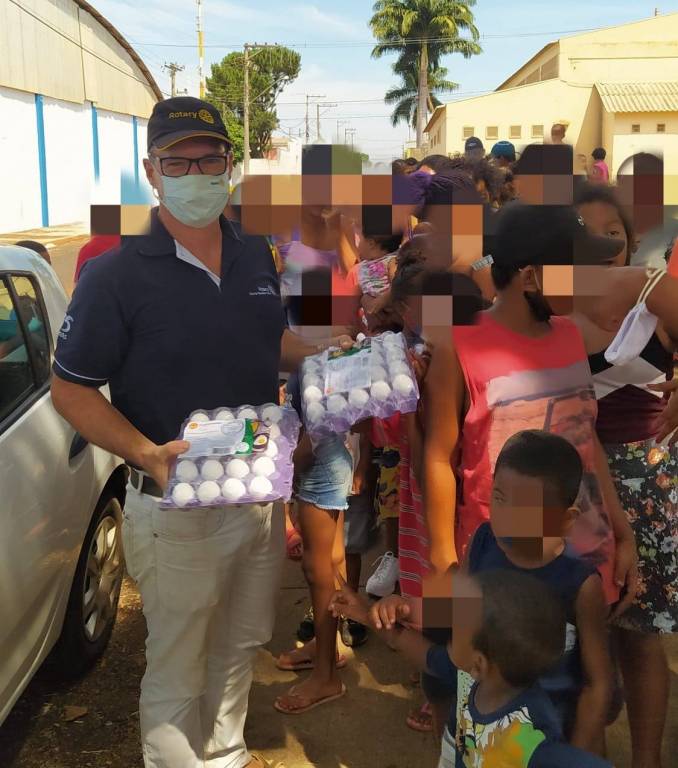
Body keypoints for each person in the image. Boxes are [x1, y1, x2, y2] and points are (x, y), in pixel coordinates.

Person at [50, 96, 338, 768]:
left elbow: (267, 341)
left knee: (239, 647)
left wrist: (330, 350)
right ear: (152, 172)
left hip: (255, 495)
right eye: (177, 161)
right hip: (175, 507)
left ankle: (226, 754)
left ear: (230, 166)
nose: (196, 173)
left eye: (210, 159)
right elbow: (70, 388)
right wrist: (147, 454)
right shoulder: (116, 273)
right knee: (180, 667)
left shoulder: (254, 251)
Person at [424, 202, 639, 616]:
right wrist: (444, 560)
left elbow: (587, 440)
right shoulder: (458, 346)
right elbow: (438, 458)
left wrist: (621, 532)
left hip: (586, 561)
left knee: (587, 656)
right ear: (529, 278)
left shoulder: (571, 334)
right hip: (500, 567)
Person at [575, 181, 678, 768]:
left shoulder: (651, 291)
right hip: (576, 482)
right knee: (582, 636)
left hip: (645, 481)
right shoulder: (551, 302)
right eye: (585, 232)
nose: (602, 244)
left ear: (631, 239)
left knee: (639, 637)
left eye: (612, 232)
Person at [330, 569, 613, 768]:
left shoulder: (533, 731)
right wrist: (365, 612)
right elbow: (419, 650)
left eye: (456, 633)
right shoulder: (471, 679)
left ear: (479, 663)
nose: (448, 636)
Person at [465, 430, 613, 754]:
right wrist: (403, 609)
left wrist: (572, 756)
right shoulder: (482, 543)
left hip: (547, 740)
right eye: (499, 498)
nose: (505, 518)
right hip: (482, 732)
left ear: (566, 519)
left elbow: (598, 684)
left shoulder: (581, 585)